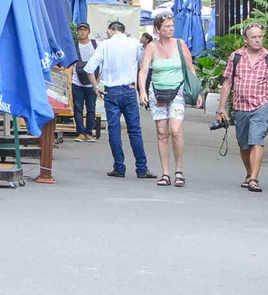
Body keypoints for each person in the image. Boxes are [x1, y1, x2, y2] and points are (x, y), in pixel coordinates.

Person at [219, 22, 268, 193]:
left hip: (261, 106)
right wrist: (222, 108)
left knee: (257, 141)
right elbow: (227, 83)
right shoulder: (236, 57)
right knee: (243, 144)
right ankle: (249, 174)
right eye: (254, 37)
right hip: (240, 106)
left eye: (260, 36)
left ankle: (254, 179)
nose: (258, 40)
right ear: (245, 40)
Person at [83, 18, 151, 179]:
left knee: (114, 130)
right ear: (124, 30)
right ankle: (142, 168)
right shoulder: (135, 43)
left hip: (110, 92)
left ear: (110, 31)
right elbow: (143, 65)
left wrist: (95, 87)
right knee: (135, 130)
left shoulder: (104, 45)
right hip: (129, 91)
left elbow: (89, 69)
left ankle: (119, 167)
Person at [138, 13, 194, 187]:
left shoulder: (180, 44)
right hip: (157, 92)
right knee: (162, 133)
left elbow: (190, 68)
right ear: (158, 29)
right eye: (167, 27)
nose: (171, 29)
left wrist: (197, 92)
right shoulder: (152, 47)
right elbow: (143, 71)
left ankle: (179, 170)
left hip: (177, 91)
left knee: (175, 130)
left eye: (172, 26)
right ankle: (165, 173)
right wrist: (142, 91)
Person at [70, 23, 101, 140]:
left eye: (84, 30)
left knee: (91, 108)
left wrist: (97, 82)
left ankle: (89, 132)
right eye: (80, 30)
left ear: (89, 31)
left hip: (92, 82)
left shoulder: (95, 45)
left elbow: (100, 63)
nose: (82, 32)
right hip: (76, 81)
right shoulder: (74, 45)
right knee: (78, 107)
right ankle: (80, 132)